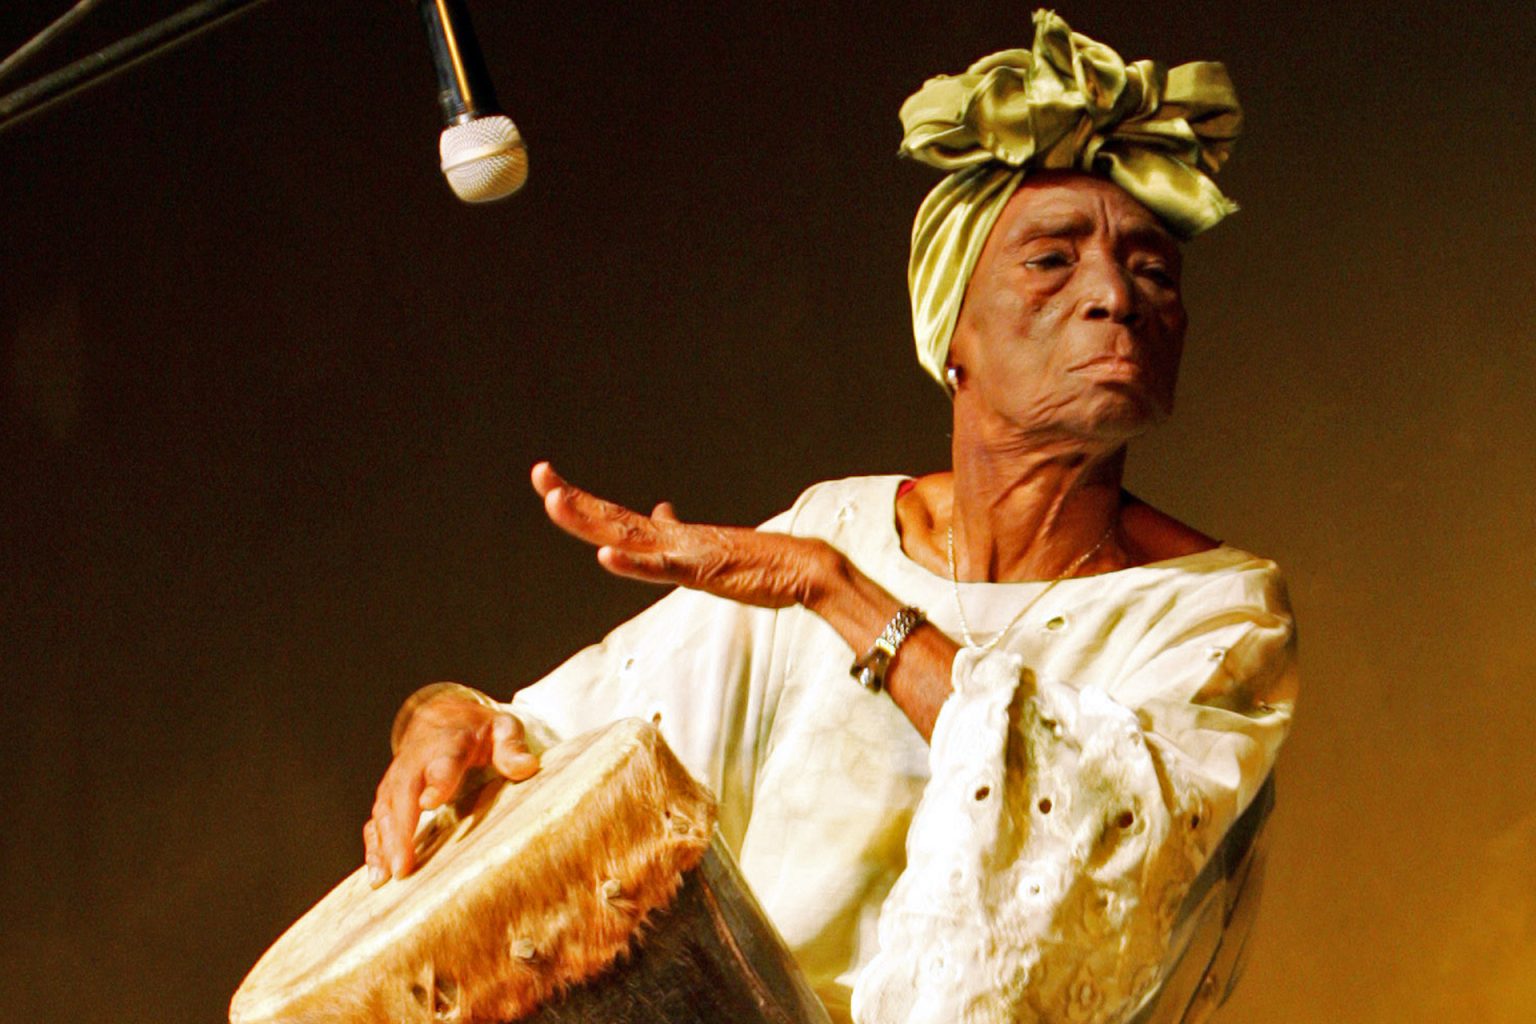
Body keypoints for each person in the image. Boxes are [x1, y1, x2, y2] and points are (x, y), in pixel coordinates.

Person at [362, 11, 1297, 1024]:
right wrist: (447, 721)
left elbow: (1102, 851)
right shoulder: (842, 524)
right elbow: (572, 742)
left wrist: (840, 596)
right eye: (1050, 262)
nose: (1116, 294)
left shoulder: (1218, 613)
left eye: (1153, 270)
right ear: (951, 336)